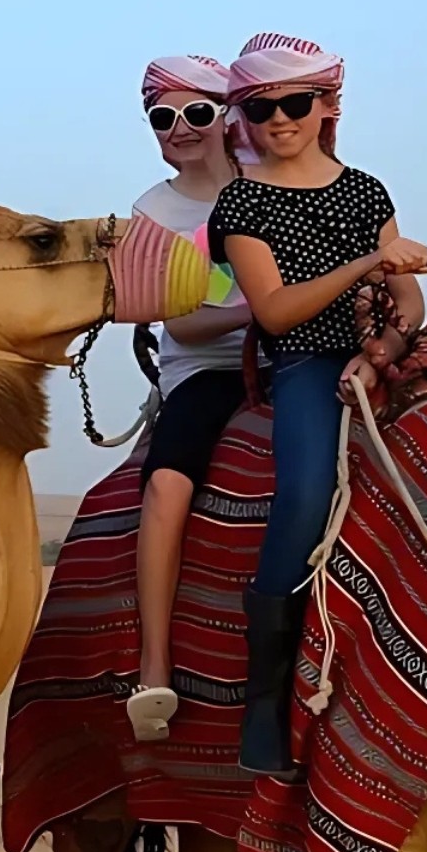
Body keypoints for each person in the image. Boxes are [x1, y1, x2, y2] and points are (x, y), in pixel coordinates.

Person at [208, 34, 427, 776]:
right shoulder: (241, 202)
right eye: (261, 107)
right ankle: (265, 699)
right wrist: (367, 263)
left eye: (294, 103)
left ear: (326, 105)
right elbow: (272, 311)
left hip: (382, 358)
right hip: (304, 362)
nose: (278, 119)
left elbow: (409, 297)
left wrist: (382, 357)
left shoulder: (367, 190)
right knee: (304, 493)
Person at [124, 55, 255, 742]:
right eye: (162, 117)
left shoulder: (273, 184)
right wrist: (257, 310)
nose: (180, 128)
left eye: (196, 112)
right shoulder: (156, 212)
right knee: (168, 483)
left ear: (226, 115)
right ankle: (155, 662)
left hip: (295, 358)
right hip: (206, 367)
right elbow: (183, 317)